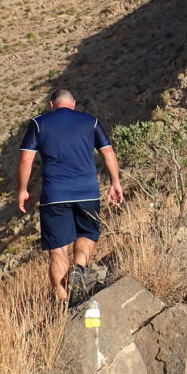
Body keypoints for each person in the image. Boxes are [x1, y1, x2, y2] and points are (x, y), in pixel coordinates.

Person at [17, 88, 123, 304]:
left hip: (54, 195)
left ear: (51, 104)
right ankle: (79, 268)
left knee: (57, 251)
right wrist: (115, 182)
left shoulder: (38, 123)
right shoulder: (90, 122)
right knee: (87, 234)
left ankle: (64, 303)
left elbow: (25, 160)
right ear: (73, 103)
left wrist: (22, 189)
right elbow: (108, 152)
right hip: (87, 192)